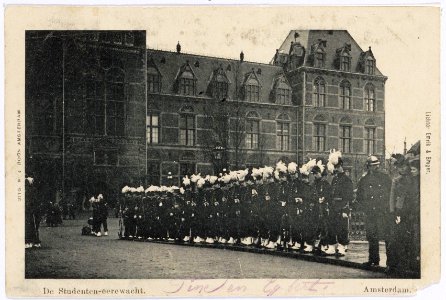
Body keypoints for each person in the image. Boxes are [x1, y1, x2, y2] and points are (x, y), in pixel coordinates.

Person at [356, 156, 392, 267]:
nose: (375, 168)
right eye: (372, 166)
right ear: (368, 167)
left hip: (382, 211)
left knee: (386, 236)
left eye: (376, 165)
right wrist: (365, 207)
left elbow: (391, 193)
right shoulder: (364, 180)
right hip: (370, 212)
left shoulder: (385, 178)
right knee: (372, 236)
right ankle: (373, 259)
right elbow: (359, 196)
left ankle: (390, 261)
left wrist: (387, 208)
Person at [325, 152, 354, 256]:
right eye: (335, 167)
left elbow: (349, 196)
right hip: (333, 206)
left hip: (341, 206)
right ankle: (332, 245)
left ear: (341, 166)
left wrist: (346, 209)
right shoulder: (335, 179)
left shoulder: (347, 180)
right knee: (331, 226)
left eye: (337, 167)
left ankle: (342, 246)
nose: (336, 169)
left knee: (342, 227)